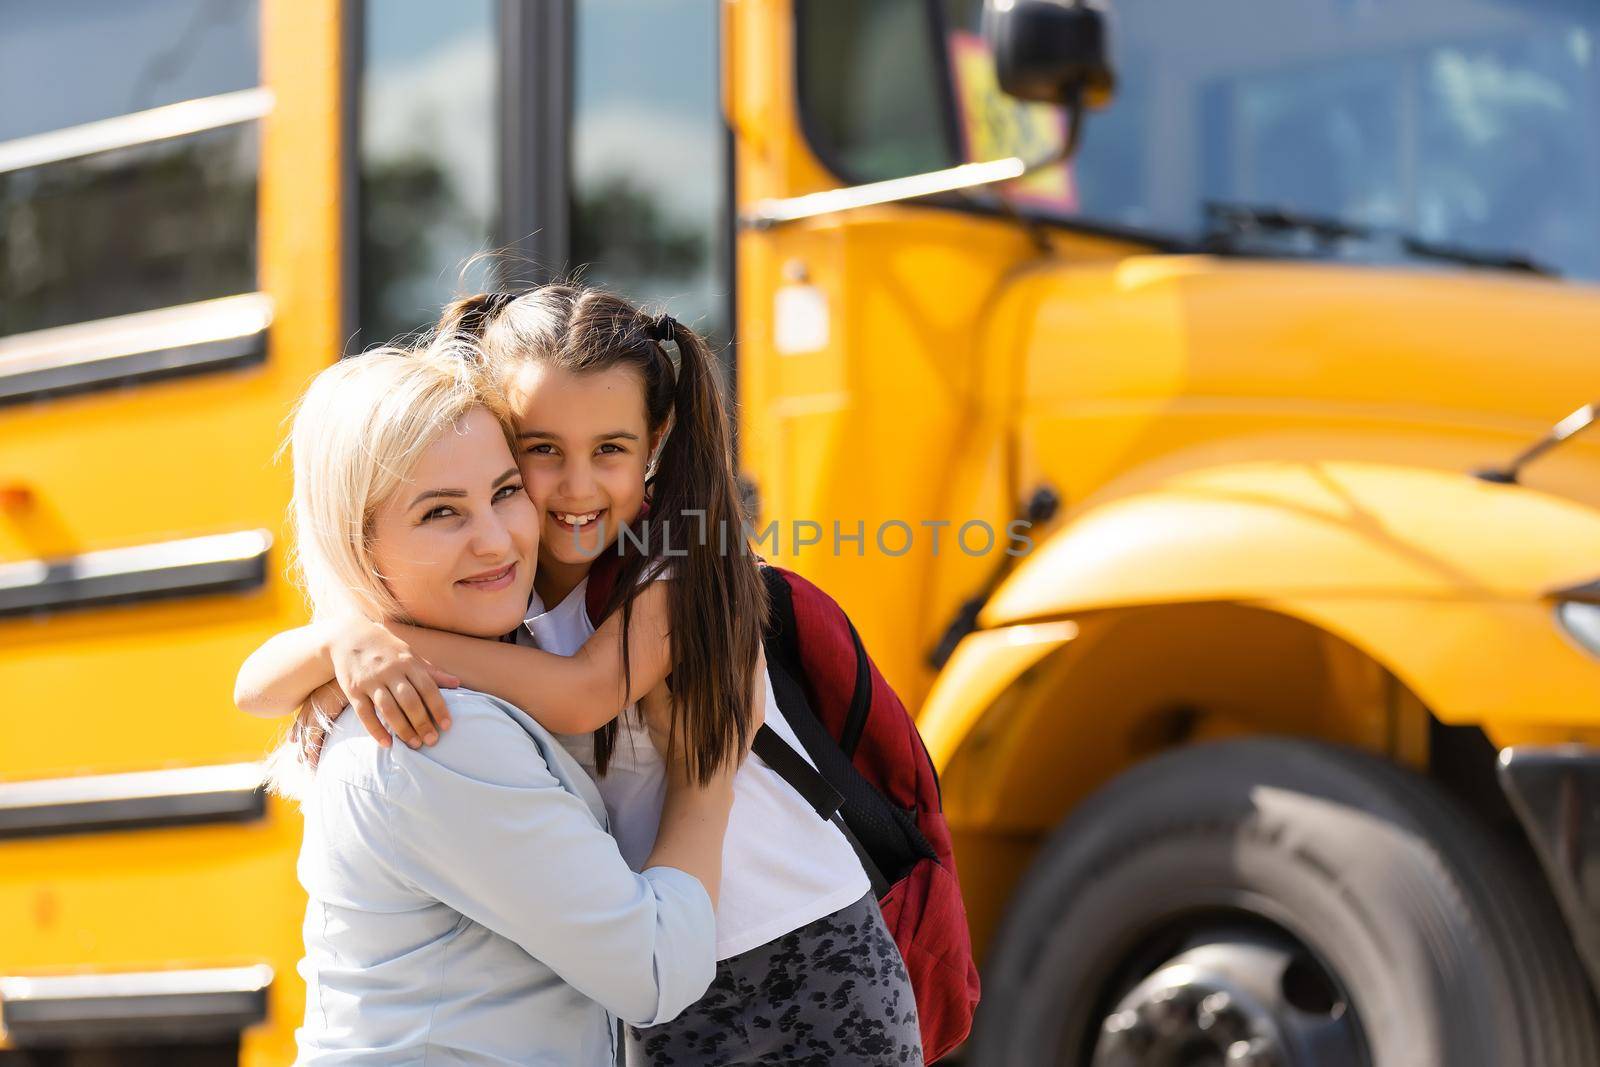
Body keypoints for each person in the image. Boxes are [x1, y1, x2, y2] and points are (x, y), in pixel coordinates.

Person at [236, 285, 924, 1066]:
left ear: (655, 441)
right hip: (663, 960)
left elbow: (582, 695)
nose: (574, 488)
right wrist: (344, 642)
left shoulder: (679, 570)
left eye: (611, 449)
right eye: (539, 451)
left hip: (795, 955)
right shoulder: (503, 591)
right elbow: (252, 688)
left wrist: (395, 639)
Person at [253, 346, 732, 1065]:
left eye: (506, 491)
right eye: (441, 511)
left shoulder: (421, 681)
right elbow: (657, 970)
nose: (496, 538)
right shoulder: (437, 736)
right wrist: (707, 770)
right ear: (359, 543)